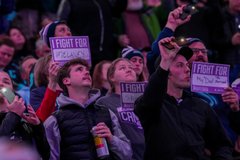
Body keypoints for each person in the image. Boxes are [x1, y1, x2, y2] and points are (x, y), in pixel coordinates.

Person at [134, 37, 233, 159]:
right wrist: (165, 61)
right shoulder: (151, 105)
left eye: (187, 65)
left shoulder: (201, 106)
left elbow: (222, 145)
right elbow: (149, 99)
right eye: (180, 65)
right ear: (166, 72)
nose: (187, 69)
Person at [44, 58, 132, 160]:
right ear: (66, 80)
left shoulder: (106, 112)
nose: (86, 72)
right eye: (79, 69)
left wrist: (111, 139)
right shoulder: (55, 120)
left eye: (87, 70)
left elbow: (127, 154)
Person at [96, 58, 145, 160]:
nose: (129, 70)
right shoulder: (104, 102)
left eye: (131, 68)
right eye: (122, 68)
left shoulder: (146, 99)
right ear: (111, 77)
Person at [0, 71, 50, 160]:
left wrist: (37, 127)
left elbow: (45, 154)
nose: (1, 84)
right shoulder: (15, 115)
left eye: (6, 82)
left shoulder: (23, 119)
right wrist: (14, 114)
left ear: (12, 90)